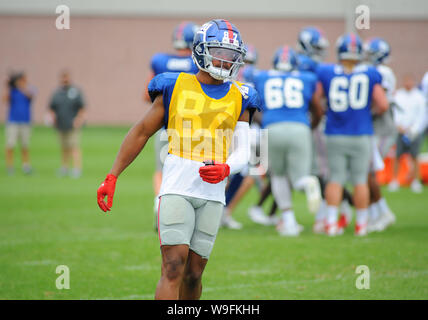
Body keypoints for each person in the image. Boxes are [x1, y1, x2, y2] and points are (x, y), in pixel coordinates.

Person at [97, 19, 260, 300]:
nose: (225, 61)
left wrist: (227, 167)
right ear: (200, 50)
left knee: (195, 272)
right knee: (173, 267)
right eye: (219, 52)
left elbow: (246, 150)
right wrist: (113, 175)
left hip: (212, 194)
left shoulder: (242, 95)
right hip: (176, 188)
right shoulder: (174, 86)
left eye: (231, 55)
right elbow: (140, 132)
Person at [317, 33, 389, 236]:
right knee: (360, 179)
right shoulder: (371, 72)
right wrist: (367, 113)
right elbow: (383, 104)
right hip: (361, 133)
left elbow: (317, 99)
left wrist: (327, 110)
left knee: (335, 179)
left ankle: (331, 224)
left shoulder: (327, 71)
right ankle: (362, 226)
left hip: (335, 133)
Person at [252, 45, 323, 236]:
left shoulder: (262, 77)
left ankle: (289, 222)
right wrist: (310, 126)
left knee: (278, 175)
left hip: (273, 128)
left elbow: (252, 107)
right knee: (298, 177)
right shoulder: (306, 78)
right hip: (299, 127)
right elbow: (317, 109)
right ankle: (308, 182)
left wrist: (265, 122)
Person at [143, 22, 199, 226]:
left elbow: (146, 94)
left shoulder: (160, 60)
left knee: (161, 169)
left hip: (164, 125)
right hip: (193, 127)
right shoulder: (197, 63)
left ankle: (159, 205)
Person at [363, 37, 398, 232]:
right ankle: (374, 214)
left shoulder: (382, 72)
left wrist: (362, 113)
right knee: (366, 172)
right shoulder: (380, 70)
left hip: (381, 127)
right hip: (376, 127)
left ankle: (382, 212)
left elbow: (380, 103)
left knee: (368, 171)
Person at [388, 74, 426, 193]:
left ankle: (415, 181)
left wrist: (414, 128)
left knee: (414, 156)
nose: (408, 83)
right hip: (401, 130)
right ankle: (395, 180)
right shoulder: (398, 95)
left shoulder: (419, 97)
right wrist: (399, 126)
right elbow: (395, 112)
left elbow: (422, 115)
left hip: (414, 131)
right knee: (398, 155)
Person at [49, 70, 86, 178]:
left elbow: (82, 107)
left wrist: (79, 119)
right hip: (61, 125)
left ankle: (76, 168)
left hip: (72, 125)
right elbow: (52, 108)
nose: (65, 80)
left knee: (74, 147)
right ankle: (64, 168)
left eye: (66, 78)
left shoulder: (75, 92)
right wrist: (53, 119)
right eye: (63, 78)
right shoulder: (57, 93)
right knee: (64, 147)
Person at [3, 72, 35, 175]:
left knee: (25, 145)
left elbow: (31, 96)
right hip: (13, 121)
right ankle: (10, 167)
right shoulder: (13, 90)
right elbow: (4, 100)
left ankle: (26, 166)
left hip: (25, 121)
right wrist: (9, 86)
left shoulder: (29, 89)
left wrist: (21, 87)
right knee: (10, 144)